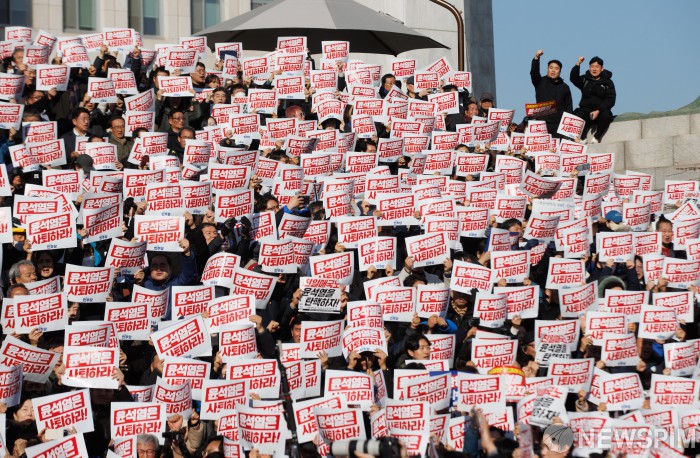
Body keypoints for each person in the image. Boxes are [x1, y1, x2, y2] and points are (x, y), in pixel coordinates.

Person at [570, 55, 616, 143]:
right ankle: (583, 137)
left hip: (600, 111)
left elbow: (611, 99)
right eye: (592, 66)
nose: (594, 69)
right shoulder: (585, 79)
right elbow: (573, 78)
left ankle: (596, 137)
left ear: (602, 69)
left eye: (597, 67)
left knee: (606, 115)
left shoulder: (608, 82)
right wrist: (578, 64)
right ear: (589, 68)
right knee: (577, 115)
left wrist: (598, 111)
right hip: (585, 111)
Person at [531, 49, 573, 136]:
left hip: (558, 125)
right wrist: (536, 58)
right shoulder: (540, 82)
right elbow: (534, 73)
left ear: (560, 71)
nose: (553, 70)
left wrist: (569, 128)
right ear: (547, 69)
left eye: (556, 68)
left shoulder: (565, 87)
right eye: (551, 68)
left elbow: (568, 107)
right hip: (541, 123)